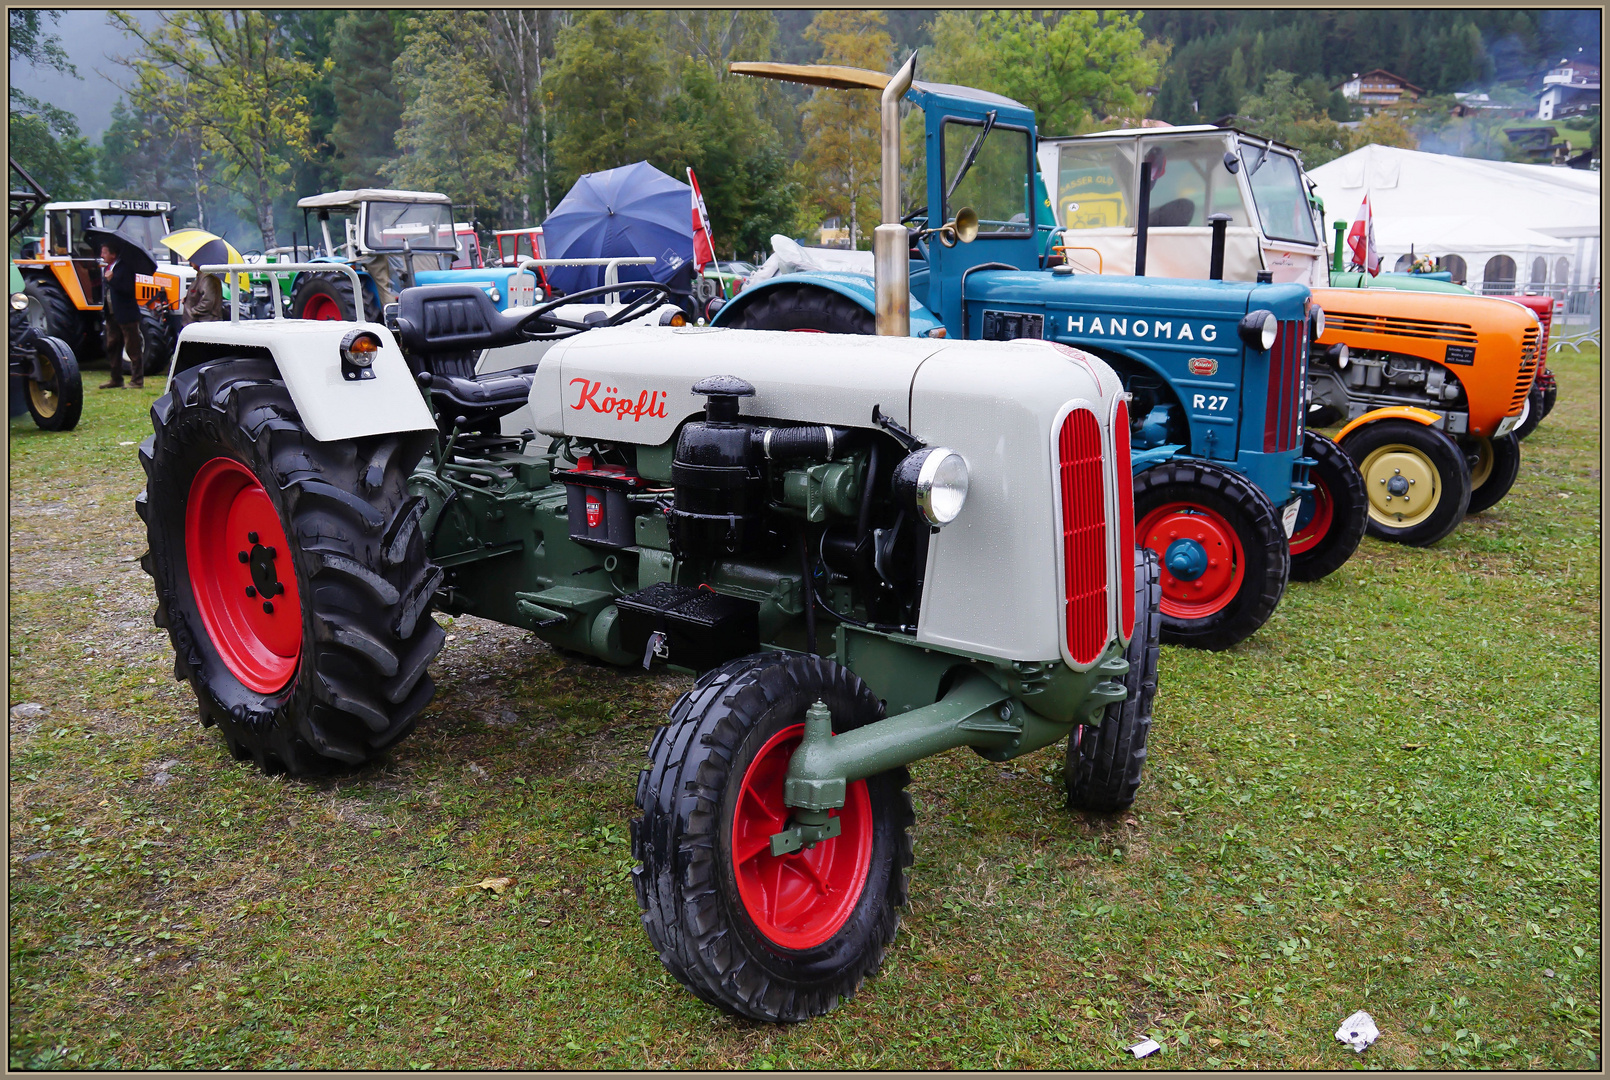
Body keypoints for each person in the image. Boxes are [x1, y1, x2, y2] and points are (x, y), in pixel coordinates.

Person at [99, 242, 144, 389]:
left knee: (132, 347)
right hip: (112, 314)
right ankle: (116, 379)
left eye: (104, 253)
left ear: (113, 254)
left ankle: (137, 380)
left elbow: (128, 290)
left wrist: (113, 279)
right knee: (112, 346)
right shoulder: (108, 268)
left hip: (126, 315)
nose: (102, 255)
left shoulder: (125, 268)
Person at [182, 259, 224, 323]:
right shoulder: (201, 276)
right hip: (199, 321)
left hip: (203, 322)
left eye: (193, 259)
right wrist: (187, 299)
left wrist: (192, 312)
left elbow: (208, 301)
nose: (190, 262)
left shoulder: (208, 278)